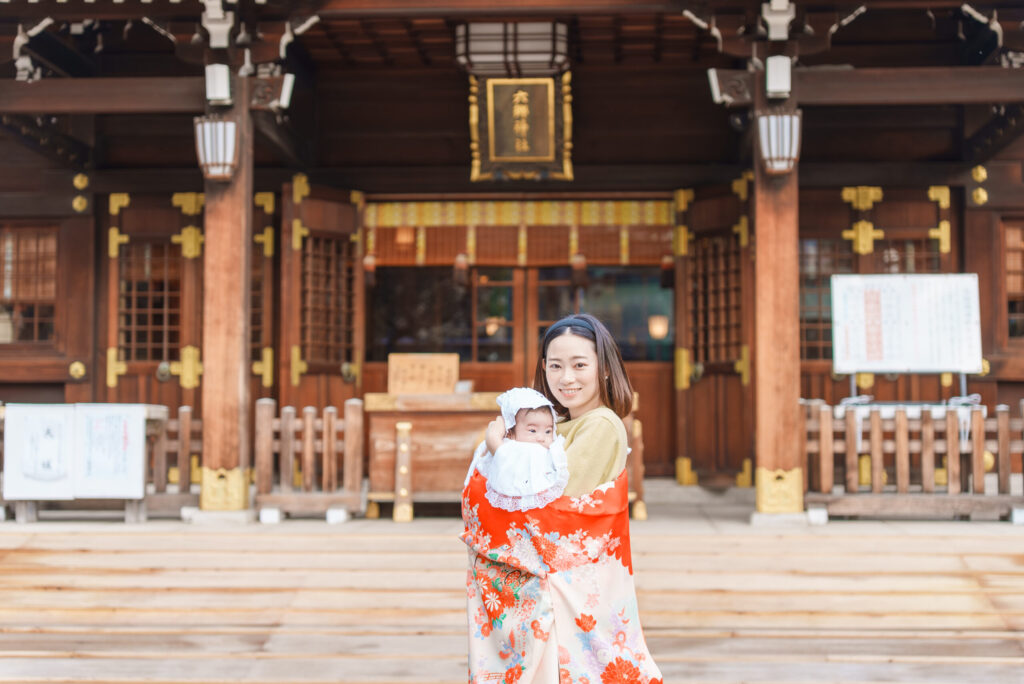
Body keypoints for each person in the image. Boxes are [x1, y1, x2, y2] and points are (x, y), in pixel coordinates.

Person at [461, 313, 663, 684]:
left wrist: (499, 450)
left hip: (564, 597)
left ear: (603, 368)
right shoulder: (556, 425)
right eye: (555, 365)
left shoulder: (602, 424)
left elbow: (551, 507)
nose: (566, 378)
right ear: (543, 368)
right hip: (550, 593)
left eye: (579, 365)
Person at [465, 386, 570, 513]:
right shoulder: (512, 448)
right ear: (510, 432)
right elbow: (500, 450)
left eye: (548, 431)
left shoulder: (551, 449)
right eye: (532, 430)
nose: (541, 437)